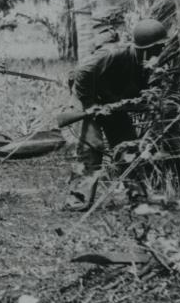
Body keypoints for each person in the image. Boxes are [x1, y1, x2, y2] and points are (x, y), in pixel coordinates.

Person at [66, 18, 168, 210]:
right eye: (156, 48)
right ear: (143, 48)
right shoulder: (114, 53)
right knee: (91, 146)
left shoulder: (148, 65)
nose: (159, 52)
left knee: (127, 146)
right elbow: (82, 72)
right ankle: (77, 201)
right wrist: (89, 104)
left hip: (112, 104)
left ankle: (136, 197)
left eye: (161, 48)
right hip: (87, 99)